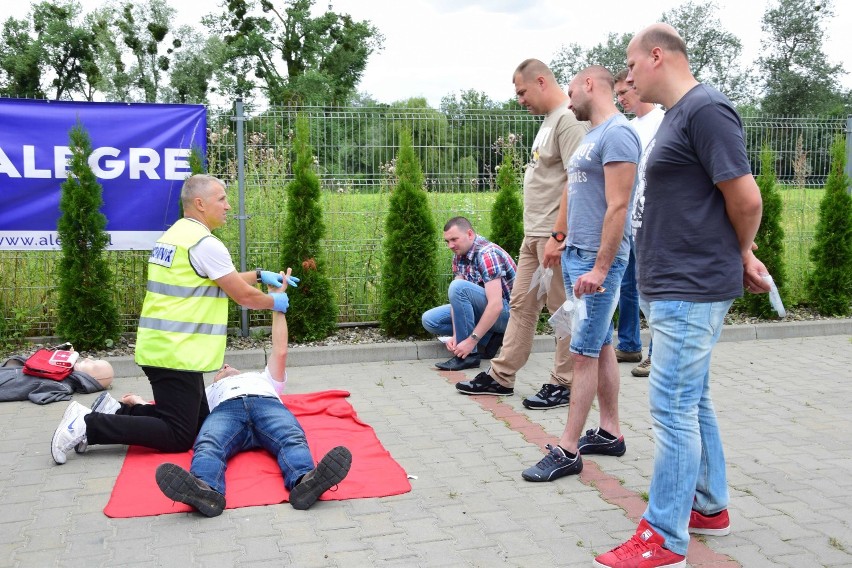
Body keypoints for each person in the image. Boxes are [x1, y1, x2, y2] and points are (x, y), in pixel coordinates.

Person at [592, 24, 769, 568]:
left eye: (629, 64)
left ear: (656, 55)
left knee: (670, 408)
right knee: (693, 401)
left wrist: (740, 252)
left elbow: (746, 197)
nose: (626, 76)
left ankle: (665, 538)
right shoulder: (677, 117)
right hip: (676, 283)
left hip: (691, 286)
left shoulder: (706, 109)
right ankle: (710, 506)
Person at [51, 174, 297, 464]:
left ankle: (116, 412)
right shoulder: (205, 244)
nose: (228, 206)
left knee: (198, 424)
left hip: (170, 346)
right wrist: (275, 302)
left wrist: (257, 275)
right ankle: (87, 426)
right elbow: (241, 295)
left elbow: (218, 281)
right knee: (179, 436)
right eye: (222, 199)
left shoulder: (176, 236)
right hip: (174, 351)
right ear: (200, 203)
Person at [520, 65, 640, 482]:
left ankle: (568, 449)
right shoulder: (590, 137)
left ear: (590, 85)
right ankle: (610, 432)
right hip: (575, 254)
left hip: (596, 261)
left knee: (583, 352)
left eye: (572, 91)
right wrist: (559, 236)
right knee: (600, 344)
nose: (568, 100)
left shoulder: (619, 134)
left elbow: (619, 206)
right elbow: (573, 190)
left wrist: (602, 267)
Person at [455, 59, 588, 411]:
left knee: (562, 309)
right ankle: (501, 376)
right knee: (522, 305)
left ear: (541, 81)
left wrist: (560, 236)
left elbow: (579, 182)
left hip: (554, 236)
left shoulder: (569, 119)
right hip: (535, 236)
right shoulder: (549, 121)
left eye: (522, 92)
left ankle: (565, 382)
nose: (520, 100)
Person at [153, 291, 352, 516]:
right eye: (221, 370)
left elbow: (280, 350)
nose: (226, 366)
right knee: (208, 444)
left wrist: (278, 305)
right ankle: (205, 490)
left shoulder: (265, 378)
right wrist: (138, 401)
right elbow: (176, 407)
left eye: (227, 366)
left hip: (267, 405)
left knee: (292, 438)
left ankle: (306, 481)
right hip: (225, 410)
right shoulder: (209, 391)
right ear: (216, 379)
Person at [612, 68, 665, 377]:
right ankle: (629, 344)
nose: (620, 99)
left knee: (652, 290)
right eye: (617, 95)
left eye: (624, 93)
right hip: (629, 217)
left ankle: (656, 354)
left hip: (653, 221)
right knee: (627, 284)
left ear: (637, 85)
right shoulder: (628, 128)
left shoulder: (664, 121)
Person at [422, 216, 516, 371]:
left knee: (458, 287)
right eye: (447, 241)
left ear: (470, 234)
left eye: (454, 239)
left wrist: (471, 341)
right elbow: (456, 299)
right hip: (486, 310)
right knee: (430, 320)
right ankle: (489, 337)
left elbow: (496, 305)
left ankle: (469, 356)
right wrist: (456, 335)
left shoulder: (487, 254)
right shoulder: (459, 255)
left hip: (509, 315)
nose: (450, 245)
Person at [1, 353, 113, 405]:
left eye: (94, 366)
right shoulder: (64, 371)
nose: (88, 359)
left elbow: (39, 397)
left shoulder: (64, 385)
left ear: (91, 379)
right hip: (8, 373)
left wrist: (60, 394)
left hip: (6, 383)